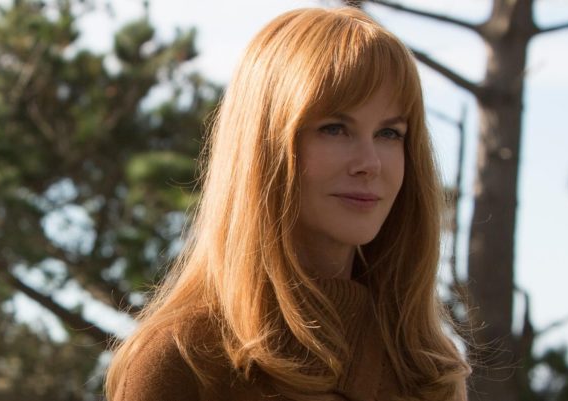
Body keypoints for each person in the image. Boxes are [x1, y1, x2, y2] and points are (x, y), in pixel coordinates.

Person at [104, 7, 471, 401]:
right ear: (266, 146)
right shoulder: (184, 361)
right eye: (335, 128)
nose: (370, 163)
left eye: (389, 133)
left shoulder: (428, 372)